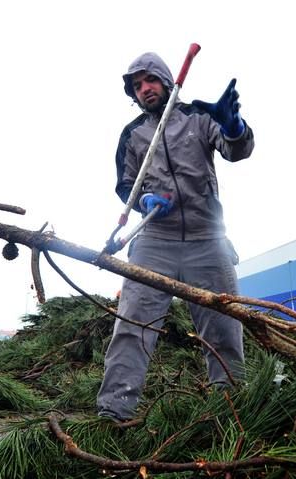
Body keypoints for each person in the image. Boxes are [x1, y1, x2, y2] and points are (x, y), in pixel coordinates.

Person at [96, 52, 255, 421]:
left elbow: (236, 151)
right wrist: (142, 199)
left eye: (150, 80)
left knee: (224, 328)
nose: (144, 89)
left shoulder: (200, 118)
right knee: (132, 325)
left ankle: (228, 409)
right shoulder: (132, 134)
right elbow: (125, 186)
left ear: (167, 81)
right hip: (155, 241)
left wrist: (234, 126)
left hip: (208, 239)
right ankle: (115, 412)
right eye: (137, 86)